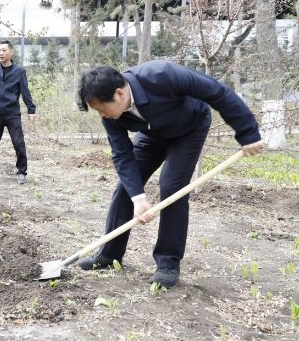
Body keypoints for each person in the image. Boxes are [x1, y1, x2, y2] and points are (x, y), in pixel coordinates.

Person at [76, 60, 264, 288]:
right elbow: (122, 154)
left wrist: (248, 132)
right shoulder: (111, 115)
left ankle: (168, 263)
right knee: (127, 187)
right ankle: (110, 254)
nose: (102, 115)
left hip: (189, 129)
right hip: (151, 136)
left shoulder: (163, 75)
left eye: (102, 109)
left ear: (119, 94)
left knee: (172, 187)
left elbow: (218, 92)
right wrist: (139, 197)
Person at [0, 40, 36, 185]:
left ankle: (22, 172)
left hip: (12, 113)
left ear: (11, 52)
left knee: (19, 143)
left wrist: (31, 110)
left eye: (4, 50)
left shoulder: (19, 71)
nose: (1, 53)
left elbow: (25, 92)